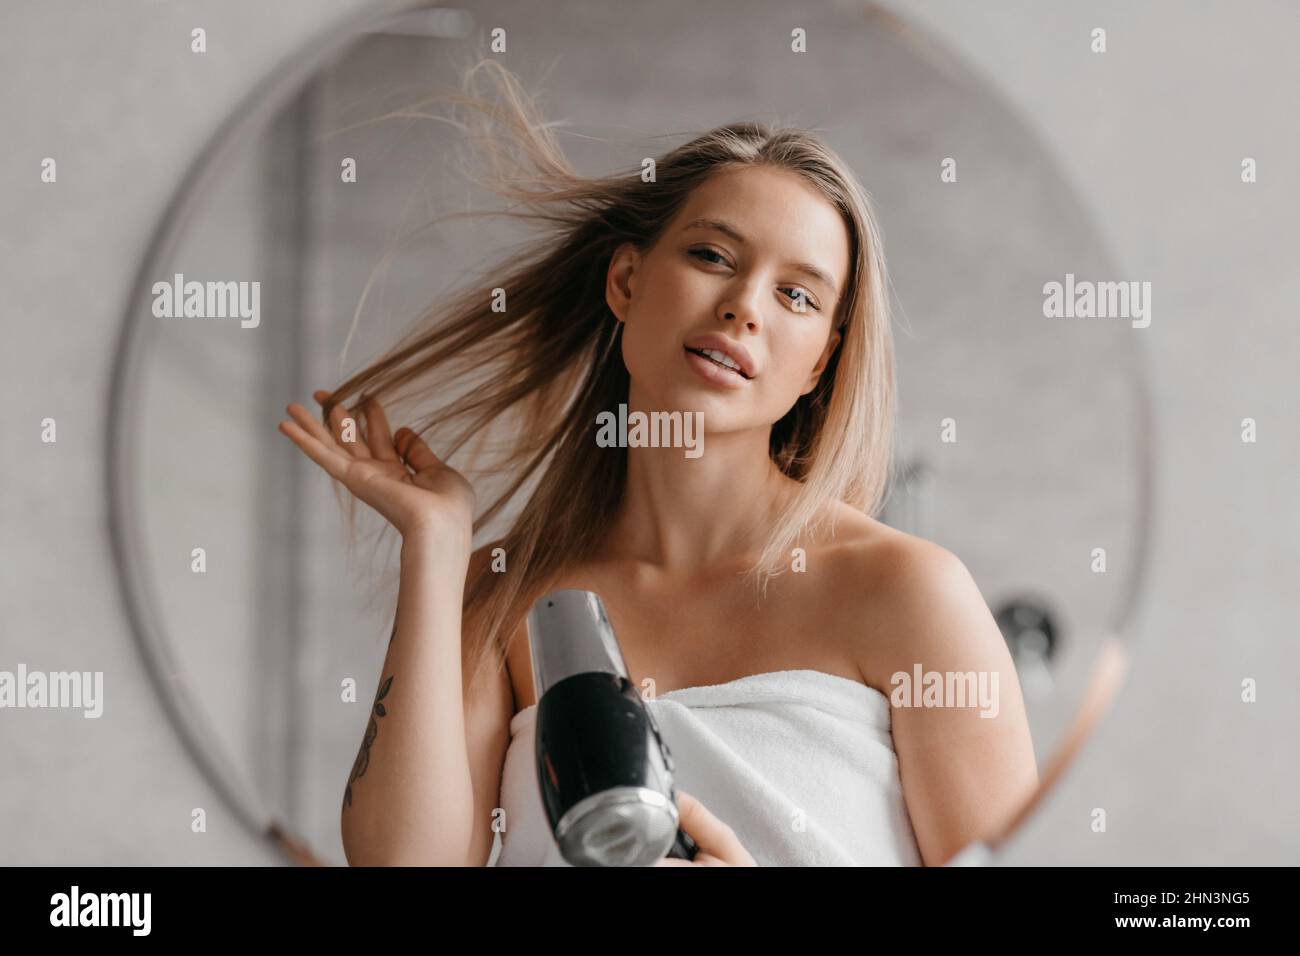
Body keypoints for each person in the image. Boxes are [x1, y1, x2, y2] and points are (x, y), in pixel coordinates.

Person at [277, 58, 1037, 867]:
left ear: (820, 363)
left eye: (798, 296)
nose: (745, 306)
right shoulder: (504, 601)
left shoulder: (905, 594)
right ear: (627, 281)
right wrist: (435, 550)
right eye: (713, 256)